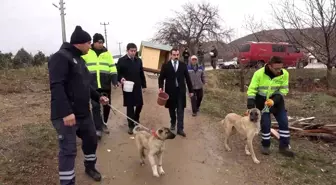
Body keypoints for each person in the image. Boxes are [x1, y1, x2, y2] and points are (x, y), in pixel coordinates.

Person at [48, 26, 109, 185]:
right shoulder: (60, 57)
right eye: (89, 43)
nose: (90, 46)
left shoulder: (80, 60)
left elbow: (85, 86)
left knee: (91, 140)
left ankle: (90, 167)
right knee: (68, 150)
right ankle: (68, 183)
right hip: (66, 115)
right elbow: (57, 86)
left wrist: (98, 97)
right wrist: (66, 112)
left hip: (83, 113)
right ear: (79, 43)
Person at [247, 56, 295, 157]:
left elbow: (284, 90)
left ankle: (284, 147)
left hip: (277, 101)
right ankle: (265, 145)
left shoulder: (285, 74)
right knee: (265, 123)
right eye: (276, 68)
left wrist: (274, 100)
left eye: (280, 68)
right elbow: (252, 89)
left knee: (284, 122)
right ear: (269, 66)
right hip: (262, 102)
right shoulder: (259, 74)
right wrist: (250, 103)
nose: (279, 71)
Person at [82, 33, 118, 140]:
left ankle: (104, 123)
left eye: (102, 42)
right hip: (93, 85)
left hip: (105, 84)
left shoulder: (107, 54)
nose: (101, 44)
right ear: (94, 42)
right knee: (96, 106)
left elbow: (112, 68)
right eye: (99, 42)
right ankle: (98, 129)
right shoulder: (87, 53)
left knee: (107, 105)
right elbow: (81, 68)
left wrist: (114, 80)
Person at [158, 48, 193, 137]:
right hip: (170, 92)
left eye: (177, 55)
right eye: (174, 55)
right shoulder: (165, 65)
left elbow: (188, 78)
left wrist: (191, 90)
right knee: (171, 109)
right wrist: (161, 87)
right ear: (171, 55)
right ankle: (173, 122)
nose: (176, 56)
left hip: (180, 91)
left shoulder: (183, 65)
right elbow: (161, 78)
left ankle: (180, 129)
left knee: (180, 110)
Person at [117, 43, 147, 135]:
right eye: (131, 51)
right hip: (127, 86)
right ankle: (130, 126)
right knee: (130, 106)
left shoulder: (138, 61)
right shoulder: (122, 60)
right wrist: (120, 78)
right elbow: (118, 72)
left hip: (137, 85)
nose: (133, 53)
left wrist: (144, 85)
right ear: (127, 51)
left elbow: (141, 73)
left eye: (135, 51)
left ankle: (136, 117)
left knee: (139, 104)